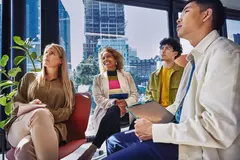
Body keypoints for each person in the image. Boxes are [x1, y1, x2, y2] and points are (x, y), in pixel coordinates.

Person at [105, 0, 240, 159]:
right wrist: (151, 120)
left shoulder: (225, 55)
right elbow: (178, 106)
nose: (178, 18)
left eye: (186, 12)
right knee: (114, 141)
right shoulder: (193, 61)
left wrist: (155, 131)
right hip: (179, 134)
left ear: (206, 15)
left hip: (199, 149)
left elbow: (219, 128)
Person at [4, 43, 75, 160]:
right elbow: (15, 105)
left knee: (25, 148)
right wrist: (31, 106)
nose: (46, 55)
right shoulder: (29, 78)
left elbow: (67, 111)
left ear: (60, 61)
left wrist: (46, 113)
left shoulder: (67, 85)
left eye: (52, 53)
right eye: (46, 52)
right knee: (40, 113)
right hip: (21, 127)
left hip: (52, 128)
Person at [78, 47, 138, 160]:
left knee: (140, 114)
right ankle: (108, 152)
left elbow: (135, 95)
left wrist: (125, 102)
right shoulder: (98, 79)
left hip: (127, 111)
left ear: (116, 60)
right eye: (103, 58)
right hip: (108, 112)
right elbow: (98, 99)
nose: (105, 59)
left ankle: (96, 148)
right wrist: (114, 102)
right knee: (114, 110)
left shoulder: (127, 76)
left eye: (108, 56)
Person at [146, 37, 184, 107]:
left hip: (175, 113)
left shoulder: (183, 73)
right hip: (157, 113)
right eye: (162, 48)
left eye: (167, 48)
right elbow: (148, 96)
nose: (163, 51)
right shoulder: (153, 75)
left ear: (175, 53)